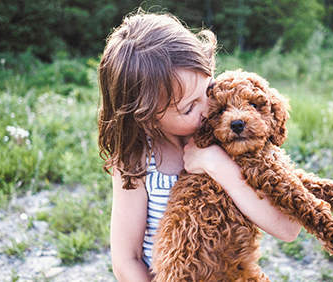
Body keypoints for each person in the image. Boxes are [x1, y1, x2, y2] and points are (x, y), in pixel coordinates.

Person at [97, 9, 301, 281]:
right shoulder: (137, 160)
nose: (208, 107)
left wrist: (218, 165)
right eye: (189, 106)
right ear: (146, 119)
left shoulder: (234, 135)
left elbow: (288, 228)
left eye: (208, 89)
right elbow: (127, 259)